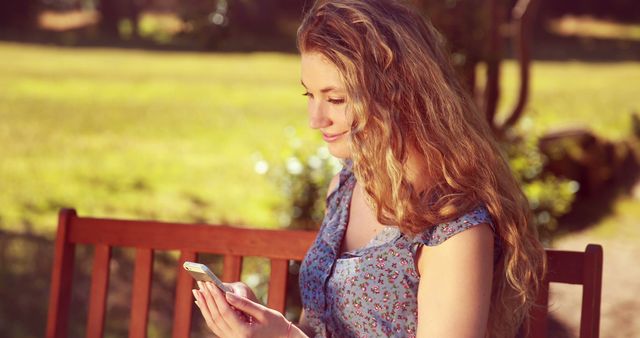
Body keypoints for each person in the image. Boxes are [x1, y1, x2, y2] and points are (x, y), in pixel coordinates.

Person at [191, 0, 545, 337]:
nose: (316, 119)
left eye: (336, 99)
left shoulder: (454, 228)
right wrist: (258, 322)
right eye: (309, 95)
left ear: (397, 93)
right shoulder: (345, 186)